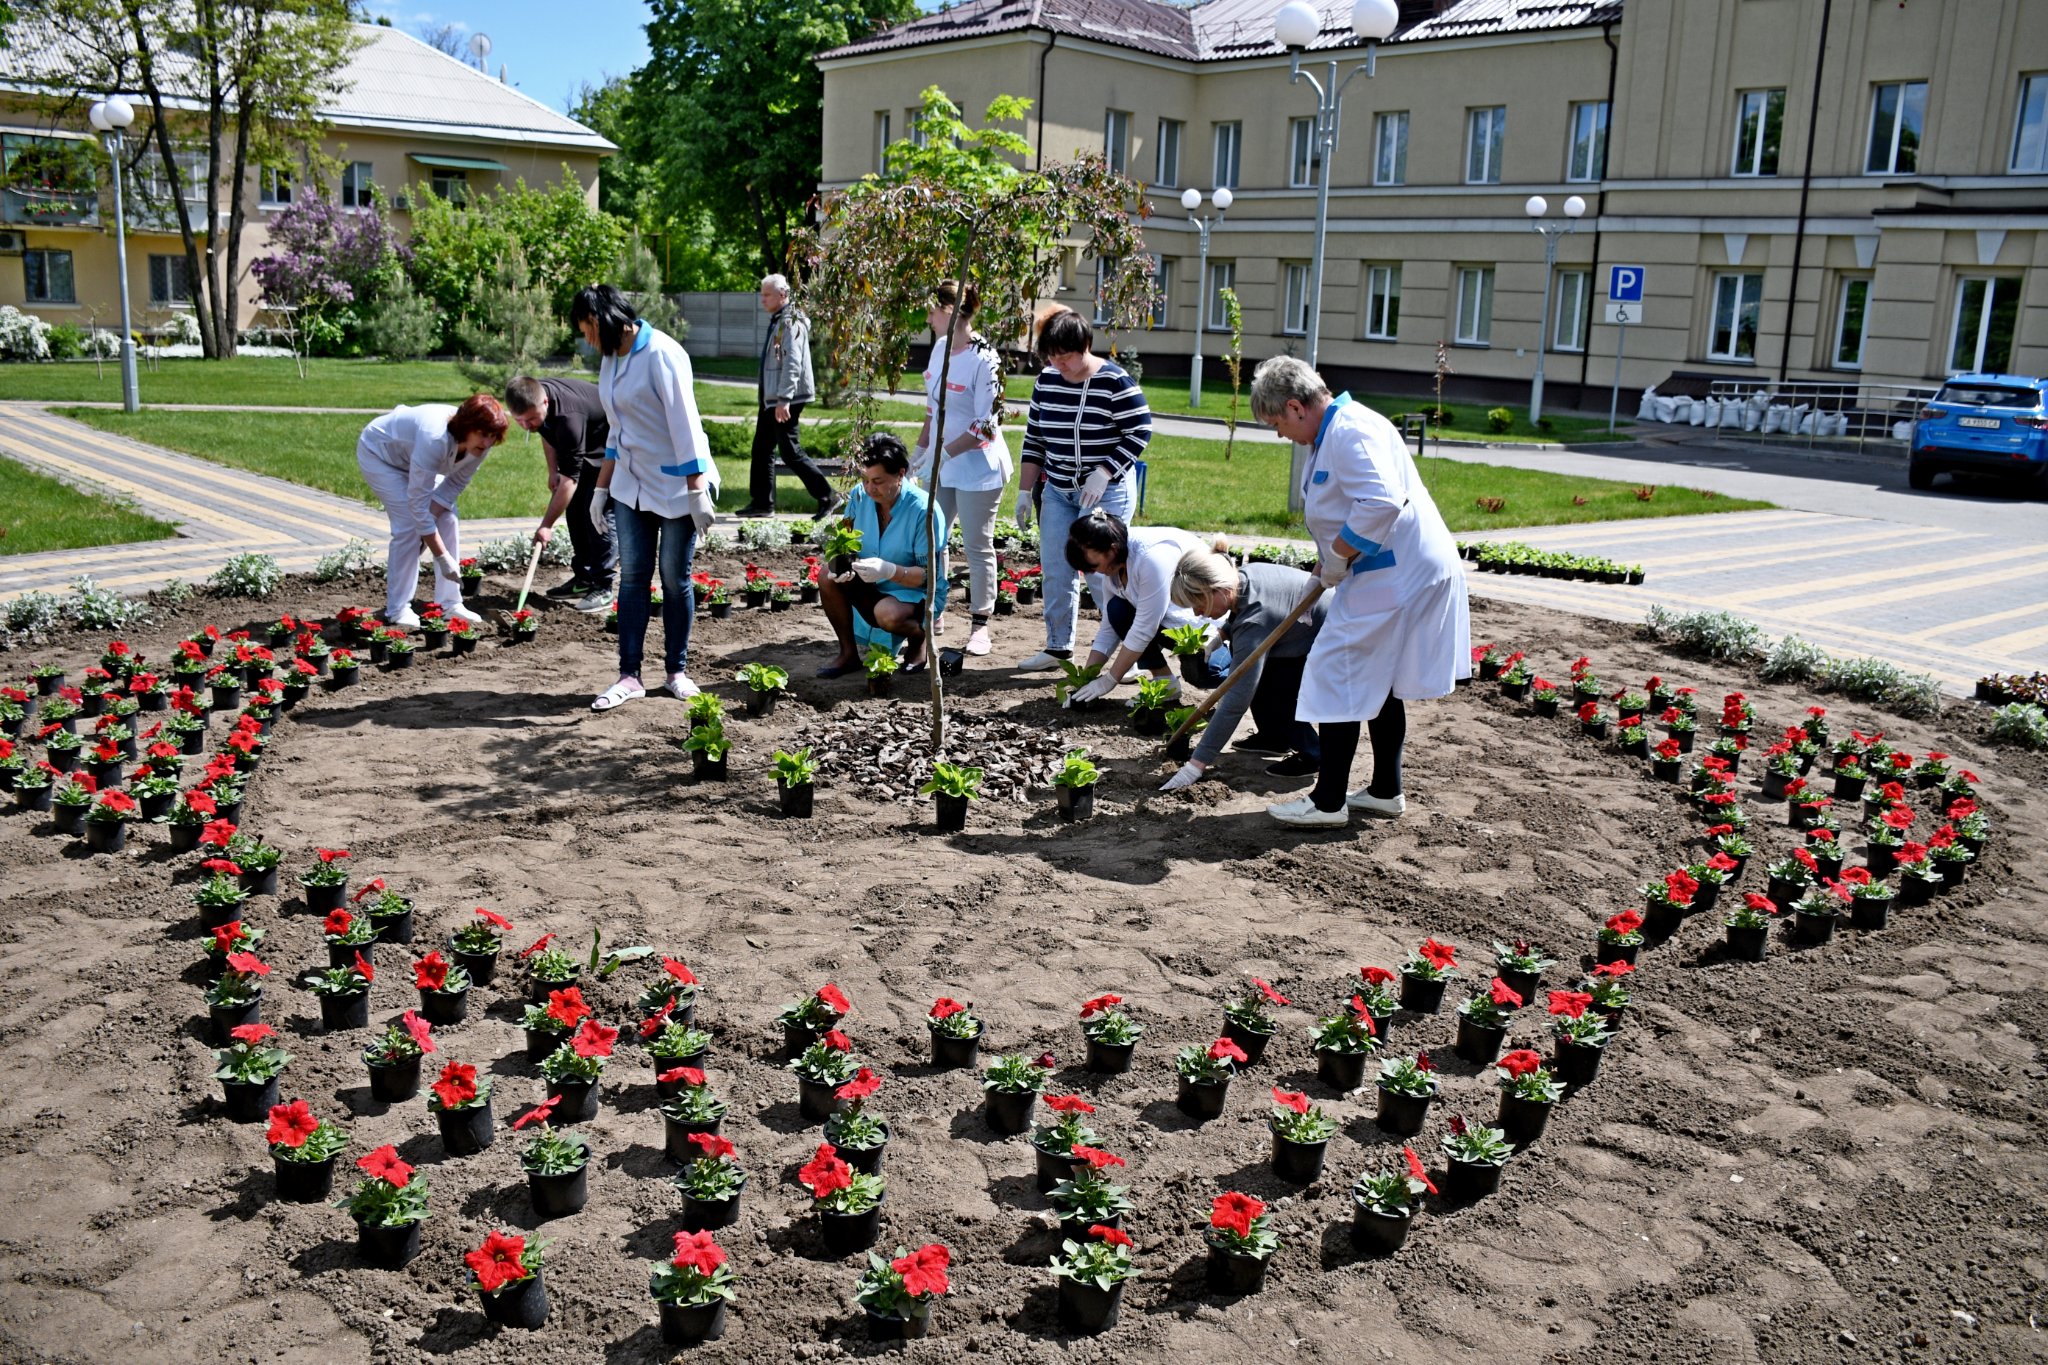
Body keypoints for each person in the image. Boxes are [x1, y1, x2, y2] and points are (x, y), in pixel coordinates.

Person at [1247, 356, 1470, 828]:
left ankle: (1328, 802)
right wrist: (1325, 563)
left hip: (1395, 575)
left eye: (1277, 423)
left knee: (1335, 673)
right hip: (1388, 572)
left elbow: (1380, 501)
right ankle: (1386, 790)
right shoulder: (1335, 432)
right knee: (1379, 681)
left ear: (1295, 406)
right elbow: (1347, 509)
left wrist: (1338, 556)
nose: (1280, 434)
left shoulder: (1349, 431)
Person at [575, 282, 723, 712]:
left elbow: (686, 425)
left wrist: (697, 490)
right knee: (634, 577)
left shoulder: (662, 353)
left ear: (605, 320)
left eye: (587, 328)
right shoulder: (610, 360)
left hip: (678, 485)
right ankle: (629, 675)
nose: (585, 338)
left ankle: (676, 671)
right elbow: (618, 431)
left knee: (675, 578)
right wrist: (602, 488)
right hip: (631, 486)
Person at [1013, 309, 1152, 673]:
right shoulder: (1046, 381)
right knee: (1057, 568)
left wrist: (1105, 471)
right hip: (1058, 490)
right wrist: (1025, 491)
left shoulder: (1115, 382)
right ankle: (1058, 647)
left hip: (1104, 492)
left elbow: (1140, 431)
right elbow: (1035, 439)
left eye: (1066, 356)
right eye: (1052, 356)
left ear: (1086, 346)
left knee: (1101, 570)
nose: (1059, 364)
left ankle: (1130, 655)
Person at [1157, 544, 1327, 791]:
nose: (1198, 612)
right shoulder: (1240, 577)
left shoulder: (1254, 621)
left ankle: (1313, 753)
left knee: (1277, 691)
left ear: (1217, 590)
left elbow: (1236, 700)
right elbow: (1241, 608)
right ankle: (1274, 737)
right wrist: (1221, 635)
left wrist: (1197, 764)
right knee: (1258, 674)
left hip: (1324, 638)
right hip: (1297, 631)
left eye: (1198, 603)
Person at [912, 281, 1010, 657]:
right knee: (933, 540)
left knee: (976, 545)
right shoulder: (938, 349)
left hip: (977, 470)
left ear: (951, 311)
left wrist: (944, 454)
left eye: (933, 310)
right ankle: (934, 613)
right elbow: (932, 410)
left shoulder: (986, 359)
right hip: (942, 465)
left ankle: (980, 626)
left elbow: (987, 425)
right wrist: (920, 452)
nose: (928, 317)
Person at [354, 395, 508, 629]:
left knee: (447, 517)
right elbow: (417, 505)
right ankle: (398, 609)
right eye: (482, 434)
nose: (487, 442)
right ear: (466, 427)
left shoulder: (481, 444)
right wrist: (442, 555)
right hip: (381, 456)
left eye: (492, 436)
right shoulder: (434, 437)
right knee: (407, 525)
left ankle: (450, 603)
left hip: (417, 460)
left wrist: (428, 530)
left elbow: (453, 486)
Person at [816, 432, 947, 677]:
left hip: (913, 592)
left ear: (900, 474)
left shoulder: (923, 510)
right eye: (865, 479)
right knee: (826, 576)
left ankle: (919, 638)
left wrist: (889, 570)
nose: (868, 488)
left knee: (886, 614)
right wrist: (840, 563)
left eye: (877, 481)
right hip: (869, 582)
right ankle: (848, 654)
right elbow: (845, 539)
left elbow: (928, 576)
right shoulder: (858, 495)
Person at [1061, 511, 1211, 707]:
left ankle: (1244, 673)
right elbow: (1109, 625)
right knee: (1117, 609)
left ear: (1112, 550)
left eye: (1094, 565)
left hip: (1203, 623)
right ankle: (1165, 683)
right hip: (1167, 622)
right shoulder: (1115, 561)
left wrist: (1110, 680)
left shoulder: (1151, 559)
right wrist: (1087, 678)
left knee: (1202, 673)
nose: (1093, 571)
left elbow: (1143, 629)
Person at [505, 374, 616, 613]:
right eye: (520, 421)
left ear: (545, 403)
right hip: (586, 444)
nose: (527, 426)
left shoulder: (568, 418)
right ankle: (584, 578)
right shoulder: (535, 396)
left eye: (531, 419)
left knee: (597, 514)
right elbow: (547, 433)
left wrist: (546, 526)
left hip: (611, 450)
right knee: (575, 511)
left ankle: (603, 586)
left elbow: (569, 482)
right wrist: (552, 470)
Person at [740, 273, 835, 517]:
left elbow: (793, 361)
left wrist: (785, 398)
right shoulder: (779, 319)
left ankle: (828, 496)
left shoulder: (791, 321)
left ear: (782, 295)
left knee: (790, 452)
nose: (762, 299)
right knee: (761, 449)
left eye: (767, 295)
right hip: (772, 399)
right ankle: (762, 504)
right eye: (762, 294)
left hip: (785, 399)